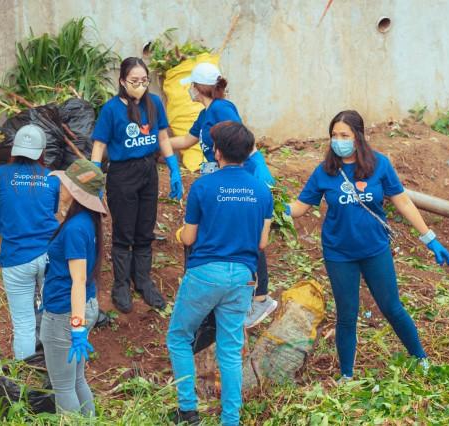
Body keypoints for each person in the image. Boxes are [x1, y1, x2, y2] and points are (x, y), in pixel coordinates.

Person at [285, 110, 449, 379]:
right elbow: (301, 207)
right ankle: (347, 376)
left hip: (375, 249)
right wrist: (275, 207)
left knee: (391, 307)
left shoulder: (379, 165)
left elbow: (403, 201)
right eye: (334, 136)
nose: (338, 141)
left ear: (358, 137)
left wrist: (429, 238)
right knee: (347, 315)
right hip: (339, 253)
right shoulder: (325, 171)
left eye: (344, 135)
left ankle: (421, 359)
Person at [167, 122, 273, 426]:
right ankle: (230, 420)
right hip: (242, 277)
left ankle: (188, 411)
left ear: (218, 151)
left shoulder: (203, 187)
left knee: (179, 337)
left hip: (205, 274)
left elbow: (188, 238)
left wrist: (181, 236)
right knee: (229, 348)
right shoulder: (261, 191)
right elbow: (262, 243)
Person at [170, 62, 278, 328]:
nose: (190, 92)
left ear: (198, 87)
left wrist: (252, 172)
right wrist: (157, 144)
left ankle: (261, 297)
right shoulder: (206, 113)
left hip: (244, 174)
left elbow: (242, 140)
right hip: (223, 175)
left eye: (192, 87)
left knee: (250, 234)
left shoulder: (221, 109)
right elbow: (187, 141)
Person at [91, 57, 183, 314]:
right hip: (122, 174)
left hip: (148, 170)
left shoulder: (153, 103)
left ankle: (142, 280)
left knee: (145, 228)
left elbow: (163, 135)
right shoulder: (111, 109)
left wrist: (174, 168)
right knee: (124, 230)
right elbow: (99, 145)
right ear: (122, 81)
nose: (140, 86)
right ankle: (121, 284)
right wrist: (95, 176)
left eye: (144, 81)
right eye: (134, 81)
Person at [0, 124, 59, 360]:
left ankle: (25, 372)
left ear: (14, 149)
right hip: (49, 256)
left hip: (16, 260)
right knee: (53, 313)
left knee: (23, 321)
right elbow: (47, 213)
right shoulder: (51, 178)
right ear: (42, 152)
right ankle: (55, 366)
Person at [40, 158, 106, 416]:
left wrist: (76, 327)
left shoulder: (76, 229)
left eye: (66, 183)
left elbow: (78, 280)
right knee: (76, 380)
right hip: (80, 307)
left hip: (64, 313)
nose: (61, 187)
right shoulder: (86, 223)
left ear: (77, 192)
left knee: (63, 386)